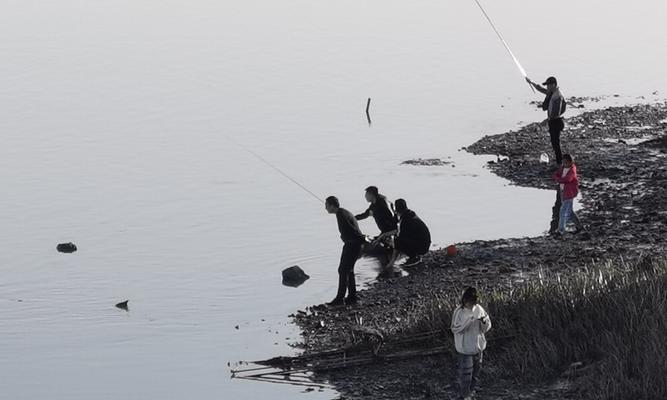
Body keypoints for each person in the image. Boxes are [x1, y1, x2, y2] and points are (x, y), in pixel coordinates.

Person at [451, 287, 491, 400]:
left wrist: (484, 322)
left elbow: (486, 327)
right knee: (466, 374)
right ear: (465, 301)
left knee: (476, 371)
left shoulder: (479, 308)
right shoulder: (459, 312)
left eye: (473, 303)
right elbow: (455, 329)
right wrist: (469, 322)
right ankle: (464, 394)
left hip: (478, 346)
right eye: (470, 302)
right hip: (465, 348)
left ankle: (472, 390)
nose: (472, 305)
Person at [325, 196, 365, 306]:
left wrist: (359, 238)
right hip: (354, 245)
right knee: (349, 270)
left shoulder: (341, 215)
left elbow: (352, 230)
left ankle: (340, 298)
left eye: (326, 205)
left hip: (352, 245)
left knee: (342, 270)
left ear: (332, 206)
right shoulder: (343, 212)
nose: (325, 208)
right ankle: (352, 296)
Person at [526, 76, 567, 164]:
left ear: (554, 85)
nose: (547, 87)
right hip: (553, 121)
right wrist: (531, 82)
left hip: (556, 122)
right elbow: (540, 89)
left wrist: (546, 120)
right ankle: (559, 161)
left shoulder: (558, 96)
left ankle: (560, 162)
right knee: (554, 142)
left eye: (548, 85)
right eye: (547, 85)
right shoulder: (552, 92)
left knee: (556, 143)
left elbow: (557, 113)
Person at [384, 199, 431, 270]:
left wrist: (391, 262)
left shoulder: (405, 221)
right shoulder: (410, 213)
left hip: (422, 247)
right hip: (426, 243)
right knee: (401, 238)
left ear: (397, 210)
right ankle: (414, 255)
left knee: (397, 240)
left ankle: (413, 257)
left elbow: (398, 240)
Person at [552, 153, 583, 236]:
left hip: (569, 193)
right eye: (563, 162)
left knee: (563, 211)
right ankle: (579, 226)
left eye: (566, 162)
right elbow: (556, 174)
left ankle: (561, 230)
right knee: (569, 211)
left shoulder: (572, 170)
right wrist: (557, 178)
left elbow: (568, 179)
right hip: (563, 192)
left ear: (570, 162)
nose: (564, 164)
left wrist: (558, 179)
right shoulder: (563, 168)